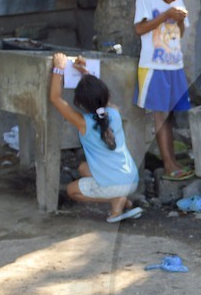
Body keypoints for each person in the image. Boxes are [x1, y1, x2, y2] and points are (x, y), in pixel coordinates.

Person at [50, 53, 141, 223]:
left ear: (80, 104)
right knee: (84, 168)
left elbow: (55, 98)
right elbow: (98, 95)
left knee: (72, 191)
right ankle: (121, 199)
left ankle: (115, 200)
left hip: (114, 185)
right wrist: (85, 73)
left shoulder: (82, 122)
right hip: (131, 180)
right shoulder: (114, 112)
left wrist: (59, 68)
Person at [134, 0, 194, 181]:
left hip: (174, 65)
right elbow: (139, 29)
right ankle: (168, 164)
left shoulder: (176, 0)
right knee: (160, 114)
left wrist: (179, 19)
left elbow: (179, 33)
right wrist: (165, 14)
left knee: (169, 115)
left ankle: (172, 160)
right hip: (154, 66)